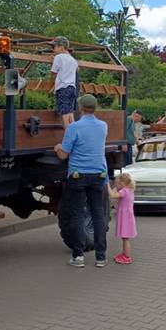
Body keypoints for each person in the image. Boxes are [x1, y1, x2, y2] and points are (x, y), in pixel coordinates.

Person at [54, 94, 108, 267]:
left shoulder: (74, 127)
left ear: (80, 108)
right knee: (98, 215)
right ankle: (101, 257)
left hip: (79, 176)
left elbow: (63, 155)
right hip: (99, 174)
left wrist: (57, 148)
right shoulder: (103, 126)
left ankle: (78, 257)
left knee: (77, 214)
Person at [50, 36, 78, 129]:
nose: (53, 49)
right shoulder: (73, 60)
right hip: (72, 88)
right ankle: (73, 136)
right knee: (70, 113)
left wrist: (53, 83)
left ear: (61, 47)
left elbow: (53, 72)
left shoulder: (58, 57)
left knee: (64, 115)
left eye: (54, 47)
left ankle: (69, 138)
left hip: (63, 88)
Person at [109, 173, 136, 264]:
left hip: (125, 218)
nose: (116, 185)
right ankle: (124, 254)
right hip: (126, 216)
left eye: (117, 183)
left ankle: (127, 257)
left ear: (122, 183)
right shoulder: (129, 190)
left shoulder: (124, 191)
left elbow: (112, 195)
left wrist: (107, 185)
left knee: (125, 238)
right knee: (124, 237)